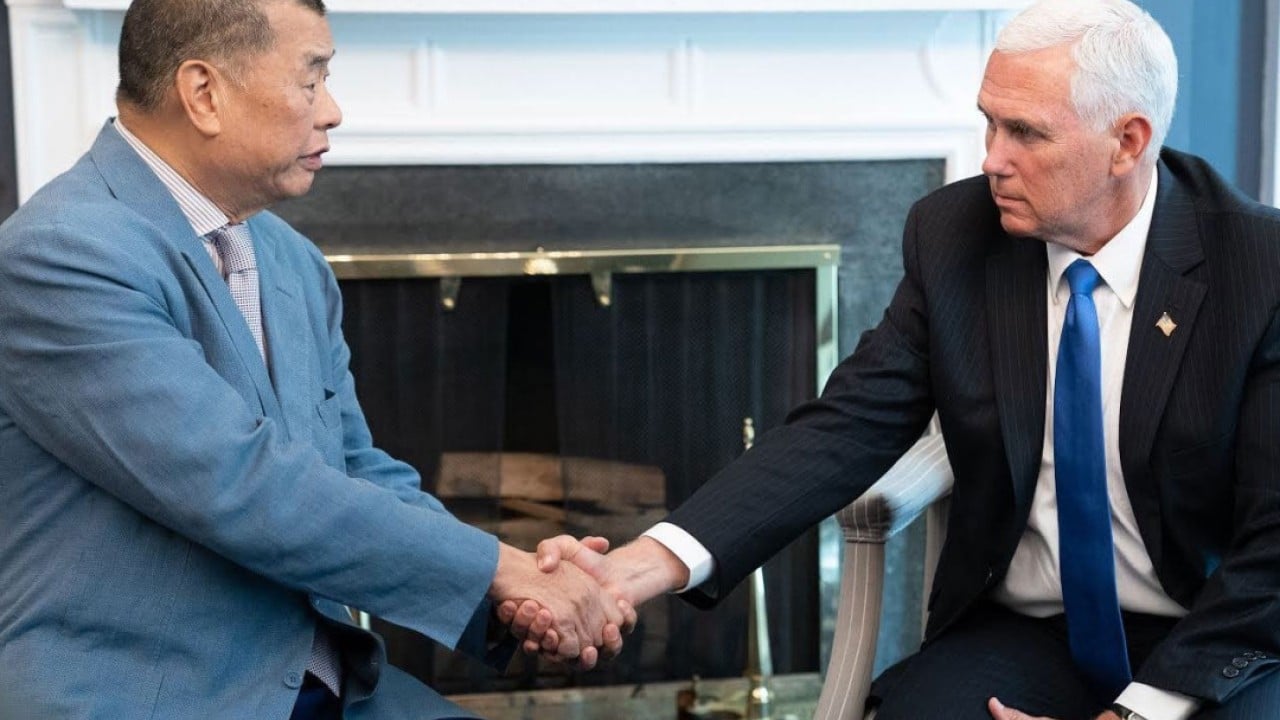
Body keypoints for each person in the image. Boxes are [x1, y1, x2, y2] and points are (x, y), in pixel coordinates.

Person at [515, 1, 1280, 718]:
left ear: (1128, 142)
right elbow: (843, 426)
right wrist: (635, 569)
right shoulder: (957, 236)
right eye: (988, 123)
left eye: (1025, 133)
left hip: (1214, 634)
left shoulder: (1258, 270)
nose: (991, 160)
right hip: (1030, 631)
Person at [0, 1, 632, 718]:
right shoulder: (59, 256)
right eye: (311, 81)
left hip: (326, 681)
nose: (332, 111)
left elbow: (354, 468)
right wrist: (502, 571)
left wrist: (511, 587)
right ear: (204, 93)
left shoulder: (290, 260)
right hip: (151, 693)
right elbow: (239, 482)